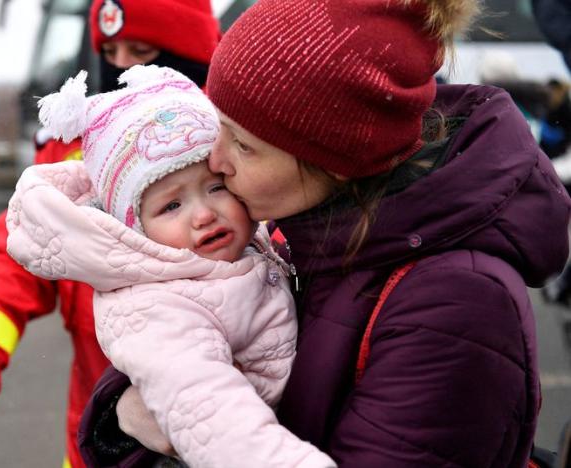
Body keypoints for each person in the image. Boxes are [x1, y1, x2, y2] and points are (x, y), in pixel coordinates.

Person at [78, 0, 571, 466]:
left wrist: (167, 438)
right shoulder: (299, 231)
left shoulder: (453, 305)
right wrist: (120, 419)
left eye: (244, 146)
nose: (215, 160)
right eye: (218, 128)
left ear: (332, 159)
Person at [0, 1, 220, 467]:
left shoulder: (239, 144)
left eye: (141, 50)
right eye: (108, 50)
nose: (119, 66)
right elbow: (2, 272)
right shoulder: (76, 153)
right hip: (97, 449)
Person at [7, 65, 336, 467]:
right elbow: (209, 413)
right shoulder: (157, 305)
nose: (203, 215)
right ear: (136, 228)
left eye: (217, 187)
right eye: (171, 205)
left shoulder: (247, 249)